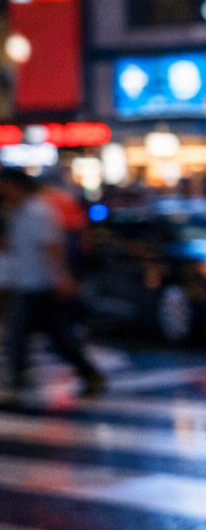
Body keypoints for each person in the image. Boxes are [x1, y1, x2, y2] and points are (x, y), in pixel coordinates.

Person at [0, 169, 105, 399]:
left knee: (25, 336)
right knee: (53, 336)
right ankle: (87, 373)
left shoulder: (38, 211)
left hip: (41, 285)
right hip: (27, 283)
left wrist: (60, 277)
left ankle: (18, 381)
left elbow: (53, 246)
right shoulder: (17, 212)